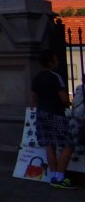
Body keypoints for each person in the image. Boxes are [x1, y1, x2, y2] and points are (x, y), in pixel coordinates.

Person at [31, 52, 76, 189]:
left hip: (41, 113)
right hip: (56, 113)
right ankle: (60, 176)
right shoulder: (56, 77)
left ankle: (54, 176)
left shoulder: (36, 77)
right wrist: (68, 104)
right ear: (50, 62)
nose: (57, 61)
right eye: (55, 59)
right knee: (68, 145)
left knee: (49, 145)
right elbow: (64, 99)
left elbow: (33, 98)